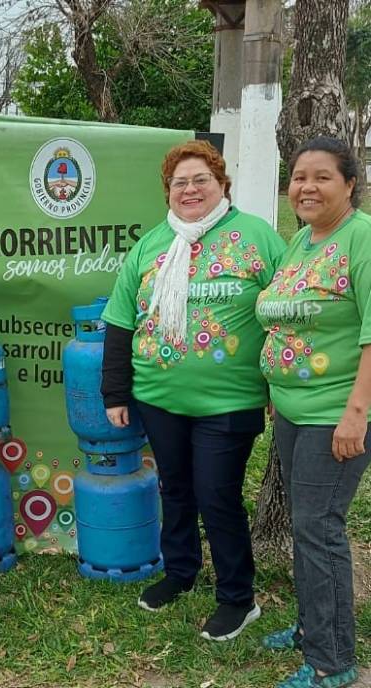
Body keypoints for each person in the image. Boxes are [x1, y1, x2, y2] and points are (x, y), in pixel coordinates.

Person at [101, 140, 286, 641]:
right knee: (176, 488)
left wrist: (279, 382)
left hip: (231, 401)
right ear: (168, 191)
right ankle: (180, 572)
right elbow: (120, 320)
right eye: (179, 182)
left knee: (216, 494)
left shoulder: (258, 237)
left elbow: (287, 313)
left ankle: (238, 598)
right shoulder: (151, 244)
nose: (190, 189)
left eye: (200, 179)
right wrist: (115, 392)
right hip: (158, 396)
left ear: (222, 184)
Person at [256, 137, 370, 688]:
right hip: (293, 410)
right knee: (307, 527)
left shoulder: (362, 237)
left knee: (319, 528)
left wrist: (356, 413)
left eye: (322, 177)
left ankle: (333, 661)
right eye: (299, 177)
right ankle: (310, 629)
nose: (307, 187)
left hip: (335, 411)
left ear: (349, 183)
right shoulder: (301, 240)